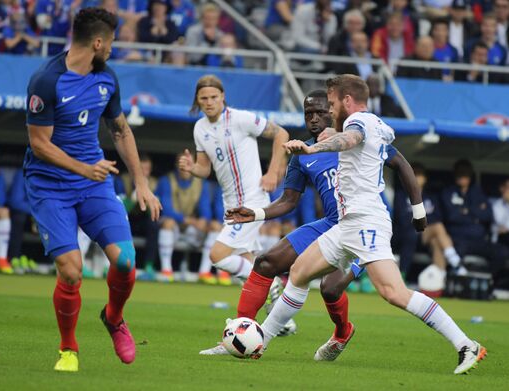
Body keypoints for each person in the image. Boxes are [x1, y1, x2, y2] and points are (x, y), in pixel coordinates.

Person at [261, 74, 486, 375]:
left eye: (331, 103)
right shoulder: (377, 123)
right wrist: (418, 211)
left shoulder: (359, 124)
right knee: (300, 272)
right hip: (348, 223)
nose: (329, 110)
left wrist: (314, 149)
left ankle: (465, 344)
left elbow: (350, 139)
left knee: (394, 292)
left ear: (347, 101)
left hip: (367, 222)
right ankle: (260, 339)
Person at [202, 89, 426, 358]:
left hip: (365, 225)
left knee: (330, 288)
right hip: (330, 224)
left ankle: (343, 331)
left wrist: (418, 210)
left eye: (321, 112)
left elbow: (402, 164)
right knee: (265, 262)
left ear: (333, 111)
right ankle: (240, 334)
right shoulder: (302, 153)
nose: (315, 118)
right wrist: (256, 213)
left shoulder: (356, 138)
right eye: (309, 114)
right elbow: (288, 201)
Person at [24, 7, 161, 372]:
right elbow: (39, 143)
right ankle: (68, 349)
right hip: (50, 185)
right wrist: (85, 168)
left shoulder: (107, 78)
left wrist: (142, 183)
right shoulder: (46, 81)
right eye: (112, 42)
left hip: (94, 183)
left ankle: (114, 317)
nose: (113, 48)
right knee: (71, 271)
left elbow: (120, 131)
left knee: (126, 261)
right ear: (97, 42)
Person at [178, 73, 289, 308]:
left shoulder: (241, 118)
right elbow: (205, 169)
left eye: (213, 97)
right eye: (203, 98)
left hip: (252, 200)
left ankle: (271, 283)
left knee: (217, 255)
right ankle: (280, 321)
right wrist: (191, 168)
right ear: (197, 100)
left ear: (223, 97)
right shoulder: (200, 128)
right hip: (231, 205)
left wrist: (272, 172)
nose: (208, 102)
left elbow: (281, 134)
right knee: (247, 265)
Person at [439, 160, 509, 280]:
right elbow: (452, 216)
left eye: (465, 174)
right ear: (455, 174)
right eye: (460, 173)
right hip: (459, 239)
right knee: (456, 251)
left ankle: (487, 280)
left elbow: (487, 215)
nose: (462, 177)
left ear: (470, 175)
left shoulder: (477, 192)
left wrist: (466, 211)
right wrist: (476, 213)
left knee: (501, 252)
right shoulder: (448, 193)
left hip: (479, 240)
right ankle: (456, 283)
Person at [392, 163, 461, 277]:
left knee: (437, 240)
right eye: (414, 174)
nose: (417, 177)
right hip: (407, 234)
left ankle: (440, 279)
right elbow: (402, 218)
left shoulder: (430, 197)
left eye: (420, 174)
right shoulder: (401, 194)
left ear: (425, 178)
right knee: (437, 228)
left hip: (425, 233)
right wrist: (421, 220)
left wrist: (421, 220)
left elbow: (437, 216)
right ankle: (455, 262)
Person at [155, 152, 213, 282]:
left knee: (214, 226)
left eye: (189, 163)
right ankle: (166, 270)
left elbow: (206, 210)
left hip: (191, 228)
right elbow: (166, 210)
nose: (185, 167)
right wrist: (188, 220)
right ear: (177, 165)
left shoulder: (201, 183)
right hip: (174, 226)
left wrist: (204, 220)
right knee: (167, 222)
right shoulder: (166, 180)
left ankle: (204, 272)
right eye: (182, 163)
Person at [7, 168, 37, 273]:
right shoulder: (22, 173)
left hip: (40, 216)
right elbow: (15, 202)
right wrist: (37, 212)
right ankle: (14, 259)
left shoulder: (53, 175)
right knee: (19, 218)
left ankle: (56, 263)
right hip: (26, 215)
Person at [492, 178, 509, 247]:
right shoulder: (496, 205)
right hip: (500, 241)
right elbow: (495, 226)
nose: (506, 190)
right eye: (506, 187)